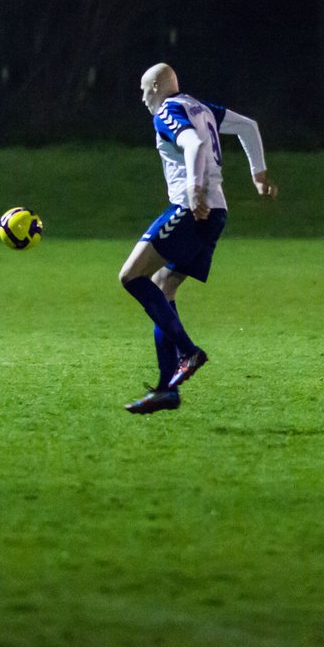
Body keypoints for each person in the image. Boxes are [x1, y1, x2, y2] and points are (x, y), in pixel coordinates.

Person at [119, 63, 277, 414]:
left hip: (192, 209)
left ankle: (188, 352)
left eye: (144, 88)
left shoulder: (167, 111)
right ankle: (167, 391)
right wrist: (259, 174)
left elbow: (191, 144)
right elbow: (248, 127)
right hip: (217, 212)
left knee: (131, 277)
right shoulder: (202, 107)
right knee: (163, 288)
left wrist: (193, 189)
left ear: (158, 86)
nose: (142, 96)